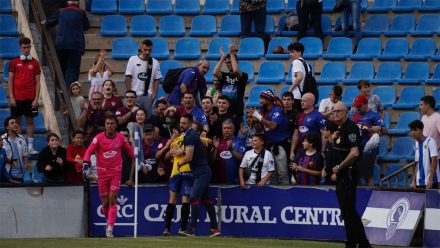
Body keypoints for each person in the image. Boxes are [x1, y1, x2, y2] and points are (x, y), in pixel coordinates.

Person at [83, 114, 135, 238]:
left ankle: (110, 228)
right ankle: (109, 222)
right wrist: (86, 163)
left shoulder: (121, 138)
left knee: (112, 200)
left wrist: (139, 158)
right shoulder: (98, 138)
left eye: (112, 123)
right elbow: (89, 151)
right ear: (104, 125)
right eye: (107, 124)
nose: (110, 126)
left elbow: (130, 151)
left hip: (116, 173)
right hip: (102, 174)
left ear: (116, 125)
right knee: (105, 205)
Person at [331, 102, 371, 248]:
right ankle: (362, 243)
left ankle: (353, 243)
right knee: (348, 211)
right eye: (333, 111)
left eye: (337, 111)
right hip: (342, 174)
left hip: (348, 174)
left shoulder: (350, 128)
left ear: (345, 113)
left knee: (349, 211)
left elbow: (354, 153)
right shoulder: (340, 128)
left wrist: (339, 167)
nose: (334, 114)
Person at [178, 114, 220, 237]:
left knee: (193, 197)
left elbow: (189, 157)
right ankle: (214, 229)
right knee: (206, 200)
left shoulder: (190, 136)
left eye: (184, 123)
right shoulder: (193, 135)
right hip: (201, 172)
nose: (181, 125)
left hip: (202, 173)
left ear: (190, 124)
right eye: (180, 122)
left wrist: (180, 163)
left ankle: (191, 229)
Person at [247, 89, 290, 185]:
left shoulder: (277, 110)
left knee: (282, 173)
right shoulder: (265, 111)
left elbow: (273, 126)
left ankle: (286, 197)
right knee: (272, 173)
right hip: (269, 144)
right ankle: (275, 197)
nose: (260, 100)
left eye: (262, 98)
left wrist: (258, 116)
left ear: (268, 99)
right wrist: (255, 121)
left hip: (280, 145)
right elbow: (261, 129)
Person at [43, 0, 90, 86]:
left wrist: (45, 22)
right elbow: (86, 26)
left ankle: (60, 89)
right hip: (76, 44)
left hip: (62, 44)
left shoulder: (61, 11)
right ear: (78, 3)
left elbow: (49, 23)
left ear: (67, 2)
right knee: (73, 70)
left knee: (61, 68)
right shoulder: (81, 13)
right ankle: (71, 91)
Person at [8, 37, 41, 155]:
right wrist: (11, 96)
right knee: (17, 122)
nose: (26, 50)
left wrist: (36, 98)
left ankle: (30, 147)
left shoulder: (35, 63)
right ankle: (20, 147)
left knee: (30, 121)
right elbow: (10, 80)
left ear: (30, 47)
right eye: (24, 47)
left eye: (28, 47)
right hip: (17, 97)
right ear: (20, 47)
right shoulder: (14, 62)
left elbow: (38, 82)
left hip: (31, 98)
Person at [162, 125, 192, 236]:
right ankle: (182, 228)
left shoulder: (176, 140)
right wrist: (173, 152)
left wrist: (174, 152)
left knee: (172, 201)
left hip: (176, 172)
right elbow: (167, 156)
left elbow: (166, 156)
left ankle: (167, 228)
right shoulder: (189, 139)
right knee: (185, 200)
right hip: (186, 171)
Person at [352, 94, 387, 186]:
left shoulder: (374, 116)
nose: (358, 108)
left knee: (368, 174)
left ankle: (370, 194)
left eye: (360, 106)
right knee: (356, 174)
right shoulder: (355, 117)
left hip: (369, 149)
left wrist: (379, 128)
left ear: (365, 104)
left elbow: (385, 130)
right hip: (357, 147)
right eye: (356, 106)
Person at [125, 39, 162, 117]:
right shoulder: (133, 59)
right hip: (134, 95)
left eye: (149, 50)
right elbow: (128, 77)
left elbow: (157, 80)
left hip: (147, 96)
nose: (147, 52)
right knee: (131, 117)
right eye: (145, 50)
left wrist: (154, 95)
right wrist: (129, 92)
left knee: (147, 119)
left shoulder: (154, 62)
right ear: (141, 48)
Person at [213, 44, 248, 120]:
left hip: (237, 113)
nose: (229, 64)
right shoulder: (224, 76)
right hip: (224, 112)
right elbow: (215, 73)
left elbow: (235, 70)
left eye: (231, 62)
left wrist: (232, 53)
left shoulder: (244, 76)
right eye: (227, 62)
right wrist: (223, 58)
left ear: (236, 62)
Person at [290, 93, 325, 162]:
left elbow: (324, 134)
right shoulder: (299, 115)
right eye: (301, 101)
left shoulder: (318, 116)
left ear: (311, 102)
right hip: (300, 150)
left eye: (304, 101)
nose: (302, 103)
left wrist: (323, 151)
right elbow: (296, 134)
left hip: (314, 151)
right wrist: (292, 151)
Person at [209, 119, 246, 184]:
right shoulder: (217, 142)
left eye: (229, 128)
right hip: (218, 181)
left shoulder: (239, 142)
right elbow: (210, 161)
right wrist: (214, 148)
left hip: (235, 182)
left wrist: (231, 150)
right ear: (222, 129)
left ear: (233, 129)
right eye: (224, 128)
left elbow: (243, 160)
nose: (226, 130)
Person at [409, 120, 439, 189]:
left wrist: (431, 179)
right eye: (411, 130)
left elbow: (434, 161)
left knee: (431, 200)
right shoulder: (415, 144)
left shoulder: (430, 141)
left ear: (422, 130)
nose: (413, 133)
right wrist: (413, 181)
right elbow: (417, 163)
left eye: (415, 130)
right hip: (419, 182)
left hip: (431, 181)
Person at [1, 117, 29, 183]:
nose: (15, 124)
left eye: (16, 122)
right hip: (7, 174)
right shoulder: (2, 139)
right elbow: (1, 156)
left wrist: (25, 164)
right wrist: (13, 162)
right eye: (12, 123)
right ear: (7, 127)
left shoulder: (21, 138)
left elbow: (25, 154)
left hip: (20, 173)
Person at [288, 42, 310, 112]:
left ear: (299, 53)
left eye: (292, 52)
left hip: (297, 96)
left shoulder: (296, 62)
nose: (290, 54)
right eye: (290, 52)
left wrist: (289, 90)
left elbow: (299, 77)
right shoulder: (306, 63)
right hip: (304, 95)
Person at [321, 120, 339, 185]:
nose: (323, 131)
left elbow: (339, 159)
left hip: (336, 176)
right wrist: (324, 169)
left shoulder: (337, 144)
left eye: (324, 130)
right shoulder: (327, 143)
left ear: (329, 132)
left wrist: (336, 173)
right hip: (328, 175)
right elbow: (327, 159)